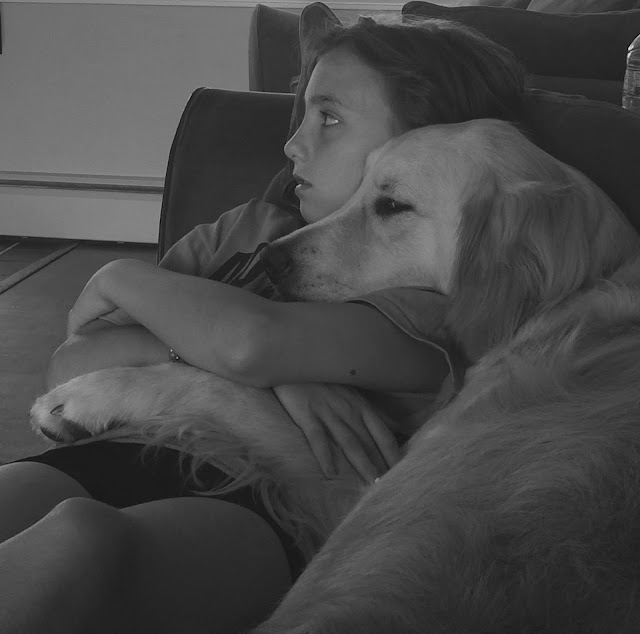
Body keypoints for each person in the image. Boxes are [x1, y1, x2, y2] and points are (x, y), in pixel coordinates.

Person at [0, 15, 526, 634]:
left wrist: (119, 274)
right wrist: (278, 379)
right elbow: (72, 367)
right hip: (120, 447)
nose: (293, 145)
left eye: (328, 119)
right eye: (302, 114)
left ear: (423, 144)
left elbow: (250, 342)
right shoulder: (242, 232)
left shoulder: (429, 296)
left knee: (79, 546)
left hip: (264, 509)